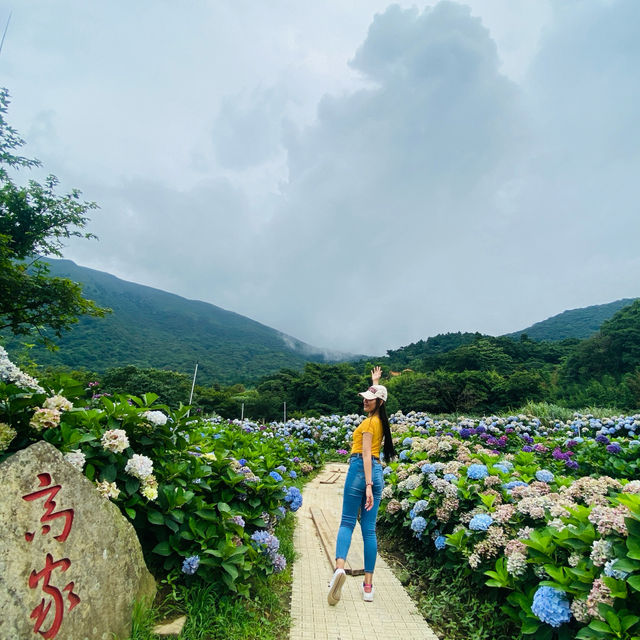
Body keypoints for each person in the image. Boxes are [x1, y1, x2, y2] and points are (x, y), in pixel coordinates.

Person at [327, 366, 397, 605]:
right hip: (378, 473)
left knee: (347, 522)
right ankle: (368, 586)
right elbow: (374, 456)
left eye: (370, 399)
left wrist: (367, 485)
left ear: (378, 402)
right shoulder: (378, 421)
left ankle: (338, 570)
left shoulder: (368, 425)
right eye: (365, 398)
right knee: (369, 530)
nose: (365, 402)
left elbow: (366, 454)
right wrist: (375, 381)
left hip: (362, 471)